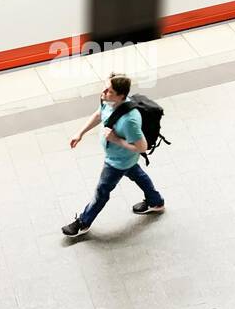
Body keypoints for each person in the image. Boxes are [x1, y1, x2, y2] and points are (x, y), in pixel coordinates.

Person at [62, 73, 165, 237]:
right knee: (137, 173)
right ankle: (156, 202)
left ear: (121, 96)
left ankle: (84, 222)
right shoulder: (108, 101)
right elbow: (99, 114)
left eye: (109, 90)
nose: (103, 92)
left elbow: (142, 147)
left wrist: (116, 140)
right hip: (125, 159)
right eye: (105, 87)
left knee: (102, 191)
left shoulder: (130, 120)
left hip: (117, 162)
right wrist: (80, 133)